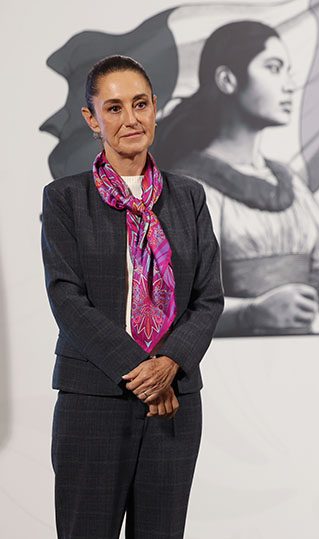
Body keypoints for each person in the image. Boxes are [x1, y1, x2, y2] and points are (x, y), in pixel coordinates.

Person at [41, 55, 224, 538]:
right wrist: (144, 372)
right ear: (92, 119)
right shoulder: (65, 199)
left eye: (140, 104)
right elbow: (67, 298)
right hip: (93, 400)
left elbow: (208, 298)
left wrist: (169, 364)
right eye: (114, 107)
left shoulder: (189, 197)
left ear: (155, 109)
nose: (130, 119)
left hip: (174, 403)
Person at [156, 20, 319, 336]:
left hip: (297, 362)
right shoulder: (189, 187)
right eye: (274, 68)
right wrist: (251, 314)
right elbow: (172, 312)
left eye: (288, 71)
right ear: (227, 79)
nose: (289, 85)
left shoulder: (288, 184)